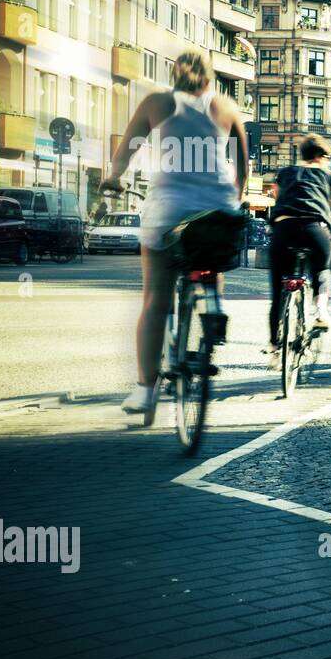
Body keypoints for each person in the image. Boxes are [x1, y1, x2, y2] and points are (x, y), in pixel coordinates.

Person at [103, 51, 248, 415]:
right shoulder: (227, 107)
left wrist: (113, 178)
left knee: (156, 302)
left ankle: (144, 391)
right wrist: (236, 198)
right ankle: (213, 305)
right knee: (211, 252)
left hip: (169, 212)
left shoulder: (157, 101)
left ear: (174, 75)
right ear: (210, 79)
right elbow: (243, 167)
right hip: (216, 210)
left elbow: (127, 151)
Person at [266, 133, 331, 368]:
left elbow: (277, 200)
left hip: (283, 229)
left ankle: (274, 351)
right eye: (328, 157)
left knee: (278, 291)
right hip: (314, 229)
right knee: (322, 268)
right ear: (321, 156)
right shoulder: (329, 175)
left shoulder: (285, 173)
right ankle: (320, 311)